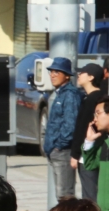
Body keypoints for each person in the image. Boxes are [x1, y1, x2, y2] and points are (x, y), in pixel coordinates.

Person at [45, 57, 82, 201]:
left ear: (67, 75)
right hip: (55, 151)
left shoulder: (70, 95)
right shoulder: (59, 93)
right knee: (61, 194)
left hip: (63, 152)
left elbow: (70, 124)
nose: (52, 75)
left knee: (65, 195)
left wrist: (59, 146)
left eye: (57, 72)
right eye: (51, 72)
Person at [71, 63, 105, 202]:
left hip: (88, 153)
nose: (79, 75)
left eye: (82, 73)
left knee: (89, 194)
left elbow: (82, 128)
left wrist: (75, 154)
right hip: (96, 152)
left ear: (91, 77)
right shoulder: (98, 97)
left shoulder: (92, 99)